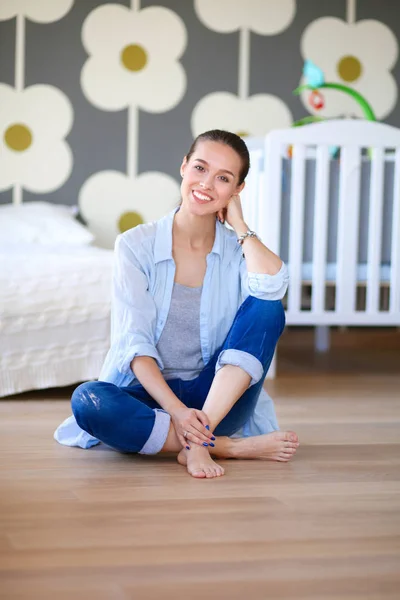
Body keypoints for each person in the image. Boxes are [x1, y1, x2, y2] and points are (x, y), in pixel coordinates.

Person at [54, 129, 299, 478]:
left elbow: (273, 287)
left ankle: (199, 440)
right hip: (154, 398)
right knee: (89, 401)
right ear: (183, 167)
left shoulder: (237, 250)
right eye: (200, 168)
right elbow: (134, 343)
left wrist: (241, 226)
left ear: (237, 190)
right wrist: (179, 411)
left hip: (219, 398)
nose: (207, 184)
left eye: (223, 178)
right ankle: (225, 445)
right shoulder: (135, 245)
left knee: (268, 307)